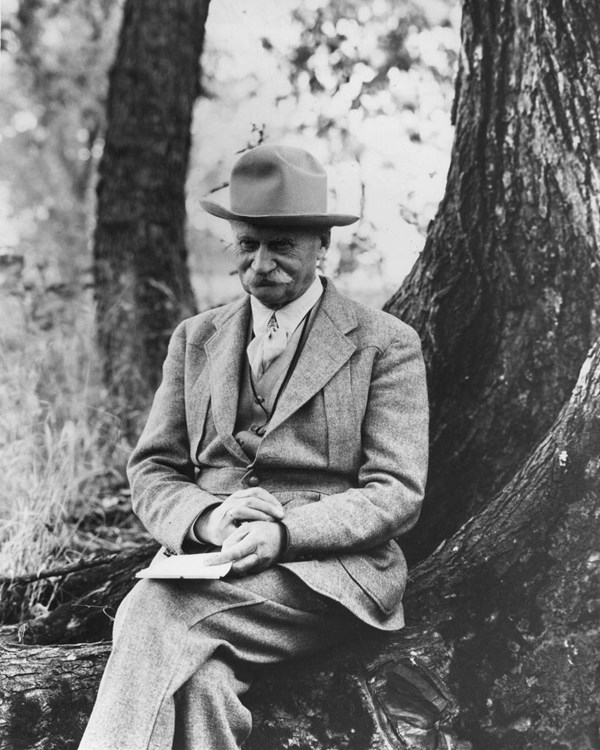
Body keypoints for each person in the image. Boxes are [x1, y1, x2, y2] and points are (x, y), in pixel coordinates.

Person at [79, 144, 429, 749]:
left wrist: (285, 535)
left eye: (282, 245)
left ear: (323, 245)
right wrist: (210, 519)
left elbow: (396, 491)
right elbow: (154, 469)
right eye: (248, 245)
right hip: (210, 565)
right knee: (203, 687)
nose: (262, 264)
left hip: (327, 576)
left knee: (152, 610)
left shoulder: (384, 344)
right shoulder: (195, 338)